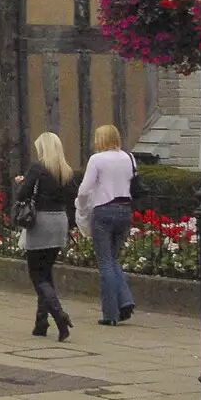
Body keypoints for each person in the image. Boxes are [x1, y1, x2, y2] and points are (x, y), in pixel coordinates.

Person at [16, 131, 75, 341]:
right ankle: (41, 322)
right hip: (59, 220)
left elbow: (22, 195)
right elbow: (71, 196)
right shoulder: (66, 171)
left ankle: (59, 315)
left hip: (40, 221)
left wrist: (22, 182)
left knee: (36, 274)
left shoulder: (37, 168)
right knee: (46, 271)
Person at [76, 124, 137, 326]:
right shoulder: (129, 157)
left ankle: (110, 313)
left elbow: (84, 190)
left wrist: (82, 208)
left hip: (104, 210)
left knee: (105, 262)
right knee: (112, 258)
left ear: (101, 139)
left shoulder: (97, 159)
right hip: (125, 210)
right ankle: (125, 301)